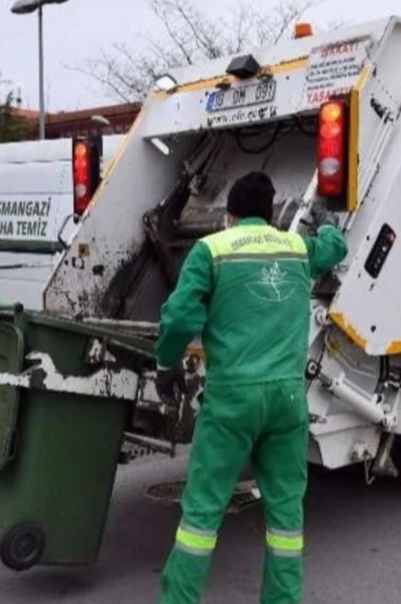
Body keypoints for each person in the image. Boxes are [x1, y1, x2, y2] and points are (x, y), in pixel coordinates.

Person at [154, 171, 348, 604]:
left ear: (230, 214)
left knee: (202, 512)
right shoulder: (297, 248)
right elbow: (336, 248)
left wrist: (166, 364)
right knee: (285, 513)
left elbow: (181, 318)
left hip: (231, 399)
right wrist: (324, 219)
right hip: (286, 398)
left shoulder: (211, 250)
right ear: (271, 214)